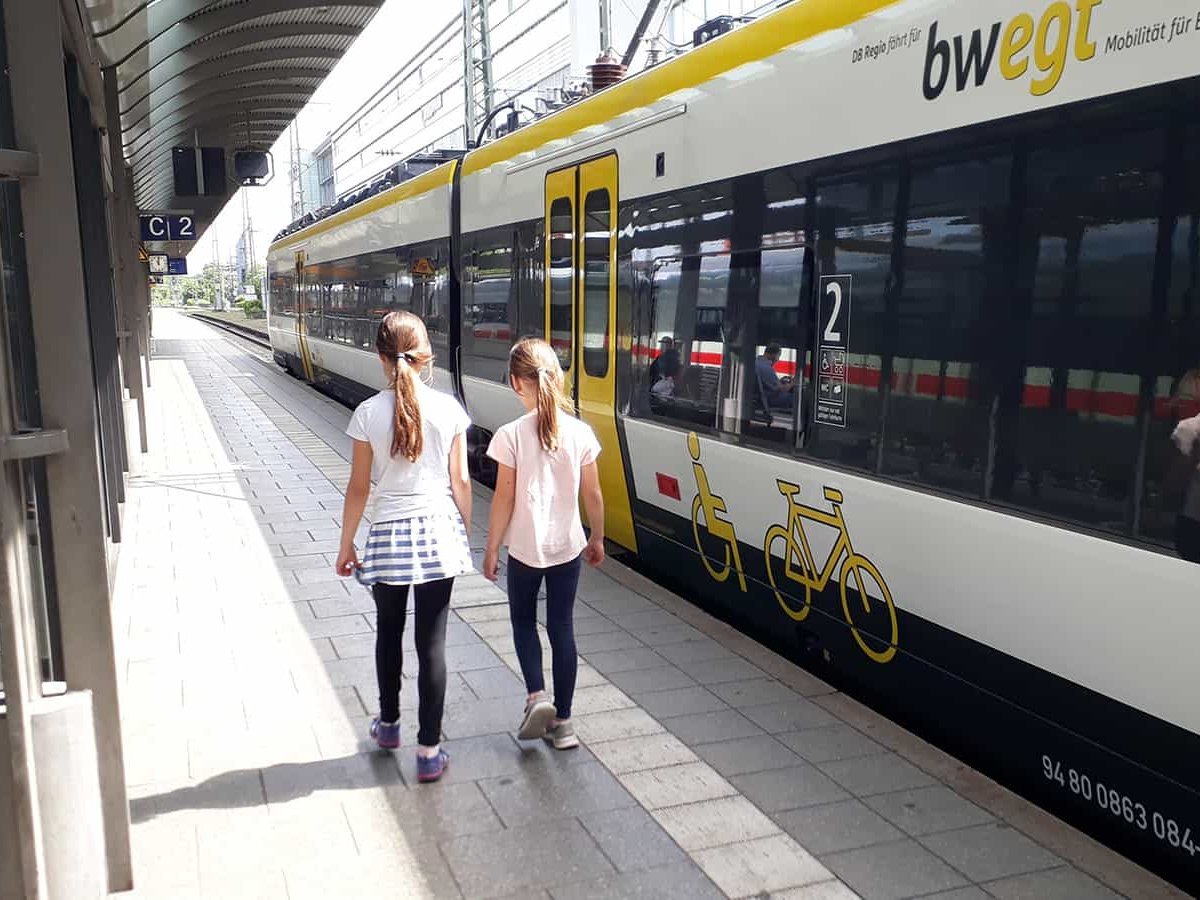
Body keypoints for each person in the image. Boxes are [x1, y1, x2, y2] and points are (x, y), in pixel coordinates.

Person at [335, 310, 473, 783]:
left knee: (388, 633)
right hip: (438, 532)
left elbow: (358, 489)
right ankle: (429, 751)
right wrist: (464, 529)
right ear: (426, 353)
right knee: (431, 644)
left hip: (389, 534)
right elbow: (460, 482)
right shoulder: (450, 410)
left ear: (380, 356)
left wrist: (346, 543)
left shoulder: (367, 413)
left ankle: (390, 725)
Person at [482, 338, 606, 750]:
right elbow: (593, 495)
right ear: (558, 377)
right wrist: (598, 537)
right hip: (567, 548)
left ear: (518, 383)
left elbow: (504, 497)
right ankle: (565, 724)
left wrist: (491, 547)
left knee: (522, 621)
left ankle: (537, 695)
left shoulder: (510, 435)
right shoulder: (581, 433)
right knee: (562, 628)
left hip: (525, 549)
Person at [755, 344, 795, 409]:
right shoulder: (766, 367)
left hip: (760, 396)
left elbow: (769, 383)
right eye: (778, 355)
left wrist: (780, 381)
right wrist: (793, 383)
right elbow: (782, 389)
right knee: (796, 398)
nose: (778, 359)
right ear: (773, 354)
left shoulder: (757, 362)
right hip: (769, 398)